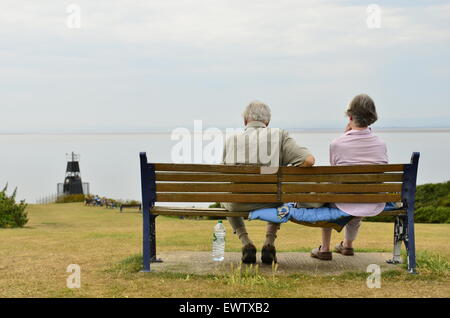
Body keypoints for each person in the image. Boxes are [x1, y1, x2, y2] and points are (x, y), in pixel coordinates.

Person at [221, 101, 315, 264]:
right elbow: (308, 160)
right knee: (279, 196)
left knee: (225, 197)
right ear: (267, 122)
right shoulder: (280, 136)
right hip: (272, 202)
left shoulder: (231, 140)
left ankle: (246, 243)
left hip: (237, 203)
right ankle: (269, 243)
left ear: (245, 120)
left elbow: (224, 176)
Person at [311, 93, 388, 260]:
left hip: (344, 199)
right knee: (360, 193)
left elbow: (334, 172)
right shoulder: (381, 144)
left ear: (350, 116)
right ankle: (348, 245)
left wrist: (345, 135)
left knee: (333, 194)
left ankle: (324, 248)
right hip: (371, 200)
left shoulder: (337, 143)